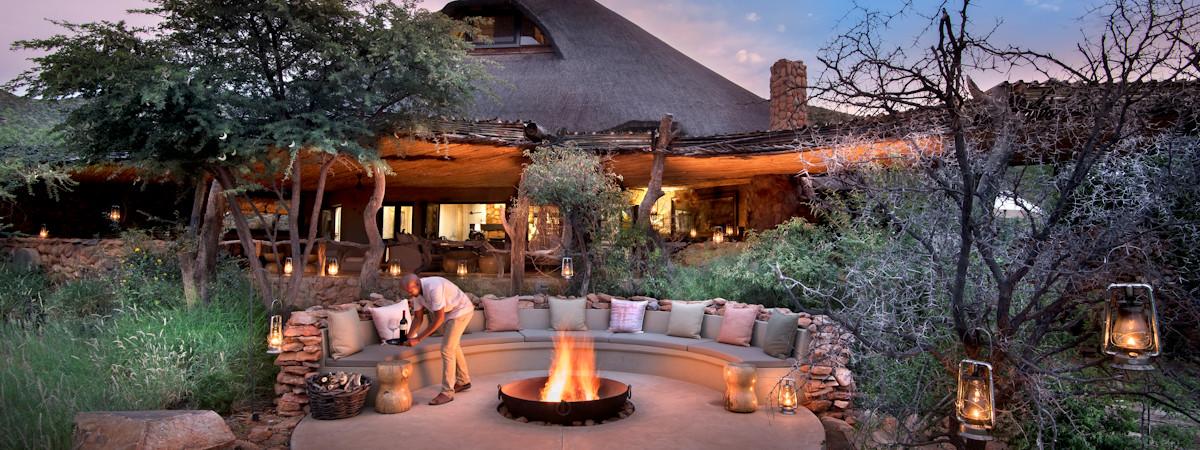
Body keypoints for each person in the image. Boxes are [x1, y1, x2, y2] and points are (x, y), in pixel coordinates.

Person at [402, 273, 474, 405]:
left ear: (417, 284)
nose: (409, 294)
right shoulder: (417, 294)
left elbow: (439, 319)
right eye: (408, 292)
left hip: (461, 310)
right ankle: (464, 381)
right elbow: (418, 318)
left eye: (410, 291)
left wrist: (418, 339)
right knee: (453, 346)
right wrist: (408, 337)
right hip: (450, 314)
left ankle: (447, 392)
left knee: (446, 349)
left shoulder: (433, 287)